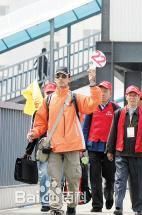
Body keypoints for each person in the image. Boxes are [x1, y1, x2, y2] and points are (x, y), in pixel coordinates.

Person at [27, 67, 101, 215]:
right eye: (58, 76)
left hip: (72, 146)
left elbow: (93, 103)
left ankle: (72, 206)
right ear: (55, 79)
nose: (60, 78)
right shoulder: (48, 100)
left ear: (69, 78)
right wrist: (34, 133)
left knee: (73, 179)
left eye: (63, 76)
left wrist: (92, 83)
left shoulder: (75, 97)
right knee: (54, 179)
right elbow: (41, 122)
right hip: (53, 147)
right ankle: (55, 208)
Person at [106, 85, 142, 215]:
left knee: (137, 182)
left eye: (135, 95)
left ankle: (138, 208)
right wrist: (109, 150)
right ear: (126, 97)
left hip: (138, 154)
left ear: (139, 98)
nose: (132, 97)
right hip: (121, 153)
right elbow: (112, 132)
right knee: (120, 179)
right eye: (130, 95)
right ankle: (118, 207)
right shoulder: (118, 113)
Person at [82, 81, 120, 213]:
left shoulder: (116, 108)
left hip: (109, 148)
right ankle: (97, 205)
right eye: (100, 91)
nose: (102, 94)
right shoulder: (92, 107)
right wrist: (83, 146)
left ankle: (109, 194)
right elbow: (85, 127)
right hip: (93, 147)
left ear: (110, 93)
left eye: (105, 91)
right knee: (95, 176)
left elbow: (119, 130)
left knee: (110, 176)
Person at [25, 82, 56, 213]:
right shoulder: (37, 112)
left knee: (57, 176)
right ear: (44, 94)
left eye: (51, 92)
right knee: (44, 175)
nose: (49, 95)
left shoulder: (61, 109)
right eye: (47, 93)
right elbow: (33, 132)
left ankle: (56, 201)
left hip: (58, 147)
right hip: (42, 149)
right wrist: (28, 149)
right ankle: (45, 202)